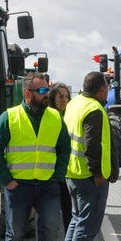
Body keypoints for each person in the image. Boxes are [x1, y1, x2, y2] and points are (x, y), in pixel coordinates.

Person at [0, 73, 71, 241]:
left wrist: (58, 175)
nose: (48, 95)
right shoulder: (10, 117)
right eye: (42, 91)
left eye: (48, 90)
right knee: (15, 234)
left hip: (48, 186)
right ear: (28, 94)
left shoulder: (55, 117)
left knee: (49, 233)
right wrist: (6, 179)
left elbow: (64, 148)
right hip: (19, 186)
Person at [61, 72, 119, 241]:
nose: (108, 93)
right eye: (107, 89)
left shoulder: (75, 102)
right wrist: (97, 174)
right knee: (87, 225)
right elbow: (92, 145)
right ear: (102, 90)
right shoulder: (94, 109)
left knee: (76, 222)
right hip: (89, 175)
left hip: (72, 172)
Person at [48, 83, 73, 231]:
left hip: (68, 170)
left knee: (68, 209)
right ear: (52, 97)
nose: (64, 100)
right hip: (49, 170)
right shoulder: (48, 116)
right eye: (60, 96)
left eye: (66, 97)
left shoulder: (71, 116)